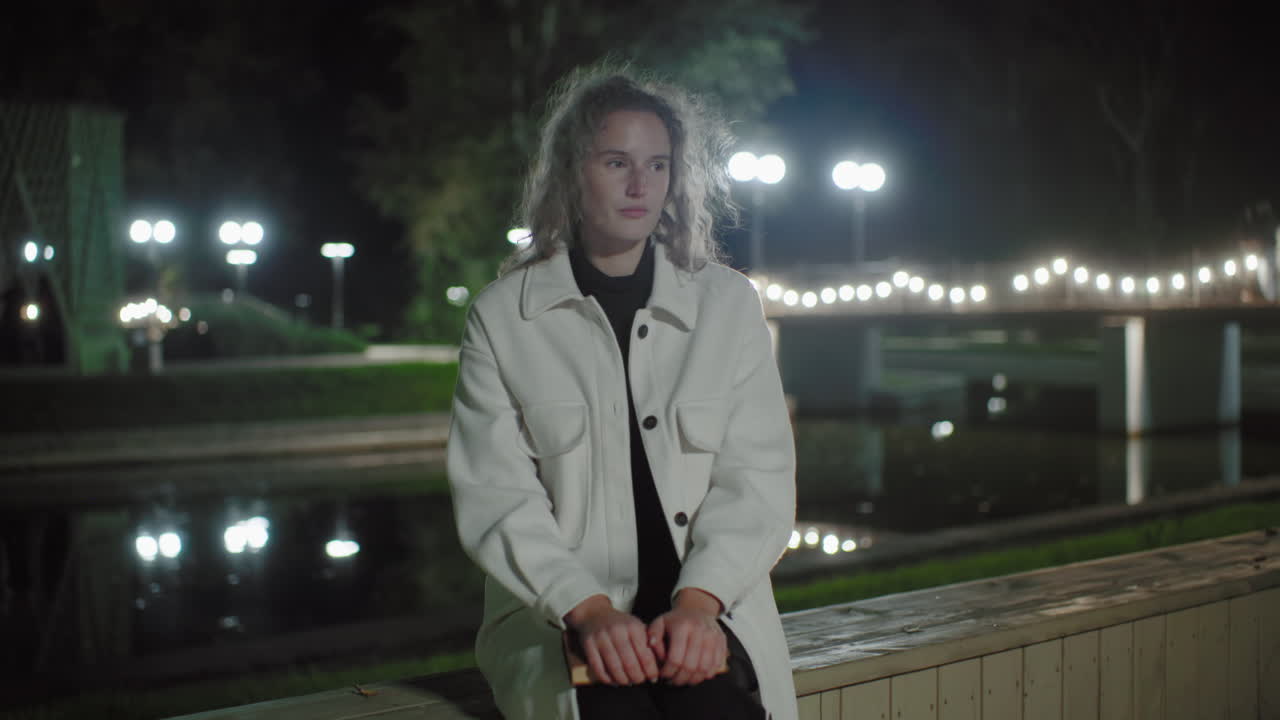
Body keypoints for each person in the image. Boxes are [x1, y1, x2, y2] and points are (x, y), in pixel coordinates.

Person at [446, 65, 798, 720]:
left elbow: (758, 481)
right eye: (617, 163)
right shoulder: (504, 317)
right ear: (571, 173)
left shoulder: (727, 304)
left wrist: (699, 606)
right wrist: (588, 610)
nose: (641, 185)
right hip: (563, 619)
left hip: (707, 616)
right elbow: (497, 495)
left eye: (657, 165)